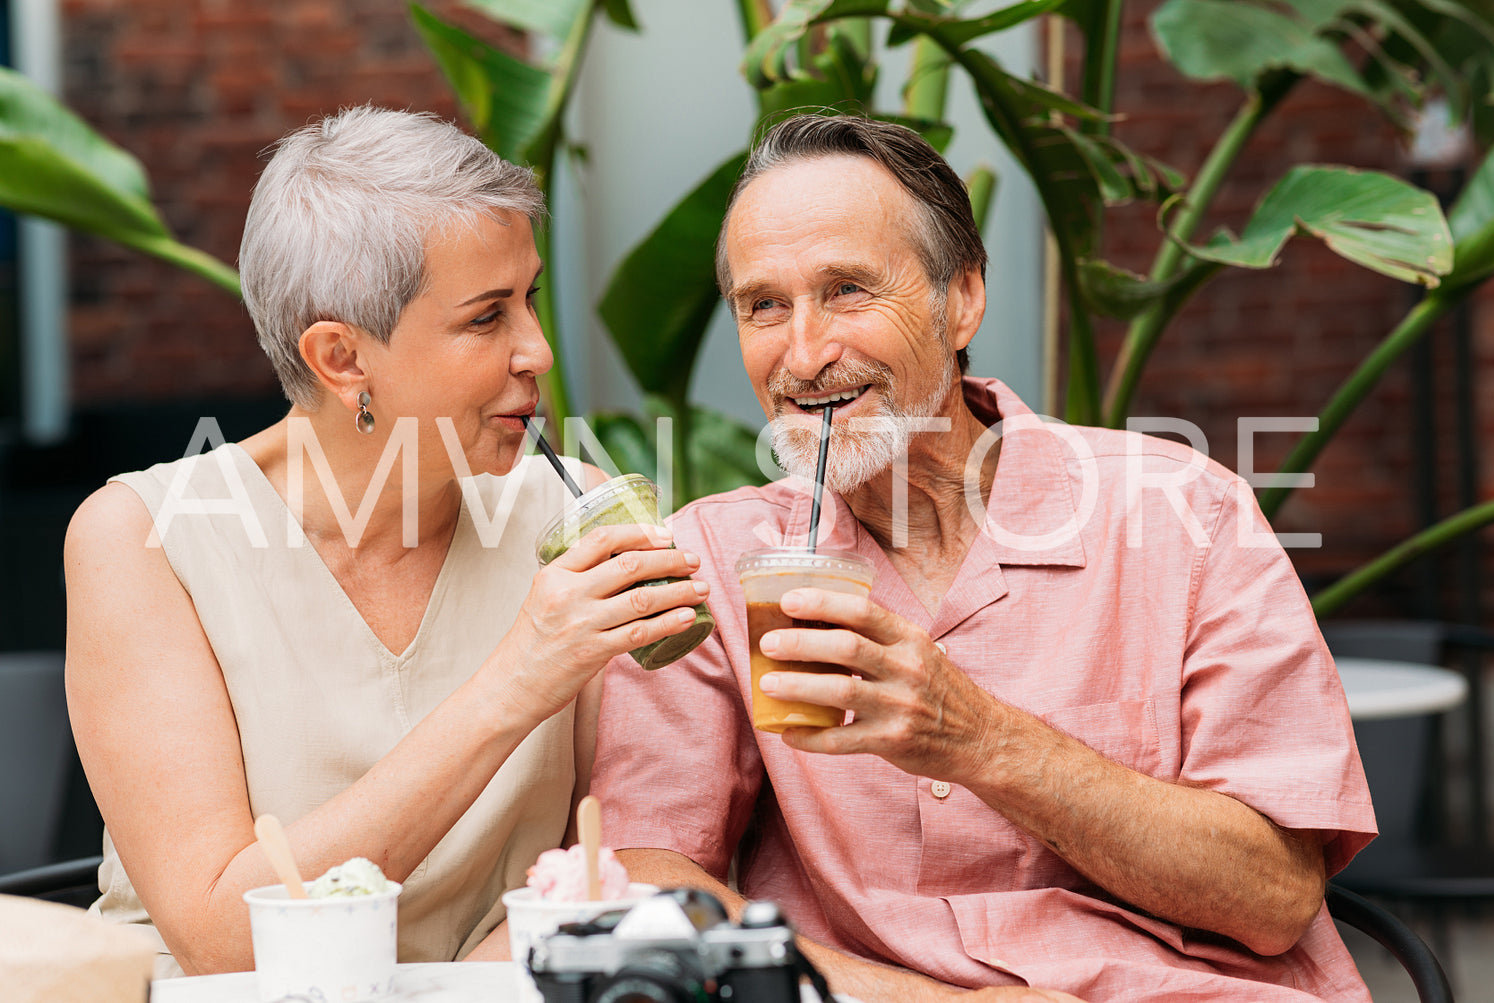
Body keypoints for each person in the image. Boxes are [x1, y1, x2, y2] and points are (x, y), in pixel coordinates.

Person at [592, 113, 1377, 1002]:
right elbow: (648, 869)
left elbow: (1272, 899)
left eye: (848, 290)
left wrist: (978, 738)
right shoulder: (710, 559)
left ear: (960, 298)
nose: (802, 355)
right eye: (763, 305)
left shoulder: (1183, 512)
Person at [63, 106, 708, 977]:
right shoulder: (144, 540)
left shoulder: (577, 516)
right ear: (341, 358)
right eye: (486, 318)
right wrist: (520, 678)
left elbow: (614, 859)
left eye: (530, 299)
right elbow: (225, 938)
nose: (539, 352)